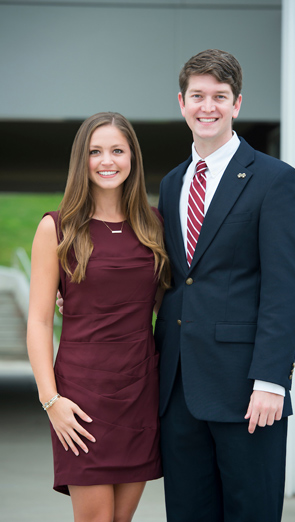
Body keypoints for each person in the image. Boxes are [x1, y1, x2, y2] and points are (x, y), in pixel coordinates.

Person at [154, 49, 295, 522]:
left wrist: (271, 380)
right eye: (197, 96)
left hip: (247, 390)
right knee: (187, 513)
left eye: (219, 96)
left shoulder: (275, 180)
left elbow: (286, 287)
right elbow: (171, 277)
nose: (208, 107)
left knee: (251, 512)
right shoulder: (172, 184)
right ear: (182, 102)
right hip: (178, 387)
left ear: (237, 104)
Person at [27, 112, 170, 522]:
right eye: (95, 151)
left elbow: (165, 304)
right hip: (81, 400)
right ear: (81, 160)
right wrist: (50, 400)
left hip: (140, 392)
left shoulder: (154, 225)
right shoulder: (57, 228)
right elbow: (38, 322)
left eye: (117, 150)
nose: (107, 161)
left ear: (132, 159)